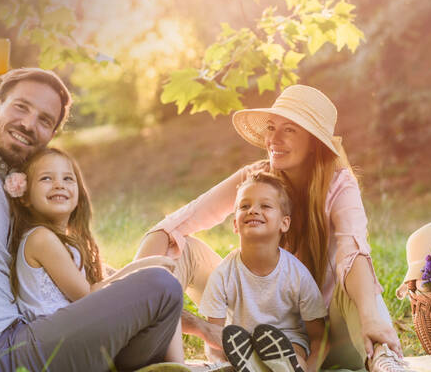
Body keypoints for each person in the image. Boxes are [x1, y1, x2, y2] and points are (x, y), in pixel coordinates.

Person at [0, 34, 185, 372]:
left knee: (157, 290)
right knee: (159, 286)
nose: (29, 124)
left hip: (20, 342)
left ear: (51, 137)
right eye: (21, 107)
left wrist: (192, 323)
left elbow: (79, 276)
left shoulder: (21, 193)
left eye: (45, 120)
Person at [137, 84, 410, 372]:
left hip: (324, 332)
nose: (273, 139)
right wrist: (136, 290)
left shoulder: (339, 186)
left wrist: (370, 315)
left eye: (289, 129)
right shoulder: (255, 178)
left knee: (359, 282)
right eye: (271, 127)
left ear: (314, 141)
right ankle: (156, 356)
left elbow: (353, 253)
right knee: (180, 248)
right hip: (257, 326)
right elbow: (173, 226)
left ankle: (385, 358)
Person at [6, 147, 184, 363]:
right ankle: (175, 366)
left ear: (79, 193)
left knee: (165, 295)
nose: (59, 184)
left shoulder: (65, 243)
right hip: (56, 344)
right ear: (25, 197)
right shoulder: (41, 238)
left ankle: (177, 366)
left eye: (68, 178)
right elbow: (87, 295)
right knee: (161, 284)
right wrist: (139, 269)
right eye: (46, 178)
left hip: (77, 338)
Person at [200, 171, 327, 372]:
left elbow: (319, 337)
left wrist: (310, 369)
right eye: (244, 206)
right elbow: (213, 336)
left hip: (288, 341)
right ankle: (251, 365)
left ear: (284, 223)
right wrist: (221, 364)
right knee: (230, 352)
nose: (253, 210)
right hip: (242, 345)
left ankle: (286, 367)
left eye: (265, 206)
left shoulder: (297, 274)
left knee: (293, 355)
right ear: (235, 223)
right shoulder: (223, 274)